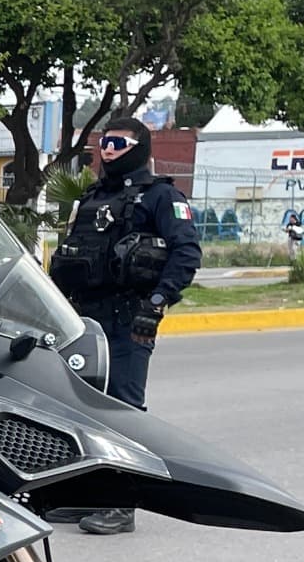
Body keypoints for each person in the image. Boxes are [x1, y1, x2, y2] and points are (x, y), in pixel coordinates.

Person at [45, 116, 201, 535]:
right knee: (81, 407)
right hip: (82, 317)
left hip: (130, 316)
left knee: (123, 410)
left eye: (116, 142)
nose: (107, 150)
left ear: (139, 148)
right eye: (103, 142)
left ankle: (123, 502)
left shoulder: (162, 197)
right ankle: (88, 493)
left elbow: (186, 253)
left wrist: (158, 302)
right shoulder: (94, 196)